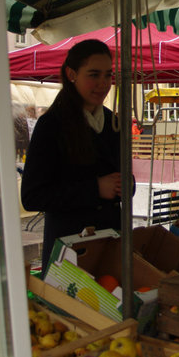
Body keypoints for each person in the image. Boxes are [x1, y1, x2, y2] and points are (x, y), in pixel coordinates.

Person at [21, 39, 131, 276]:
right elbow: (32, 196)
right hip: (69, 252)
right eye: (94, 74)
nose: (103, 83)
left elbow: (122, 178)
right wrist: (95, 189)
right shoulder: (51, 124)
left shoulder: (114, 122)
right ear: (72, 74)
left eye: (108, 75)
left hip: (111, 246)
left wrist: (126, 184)